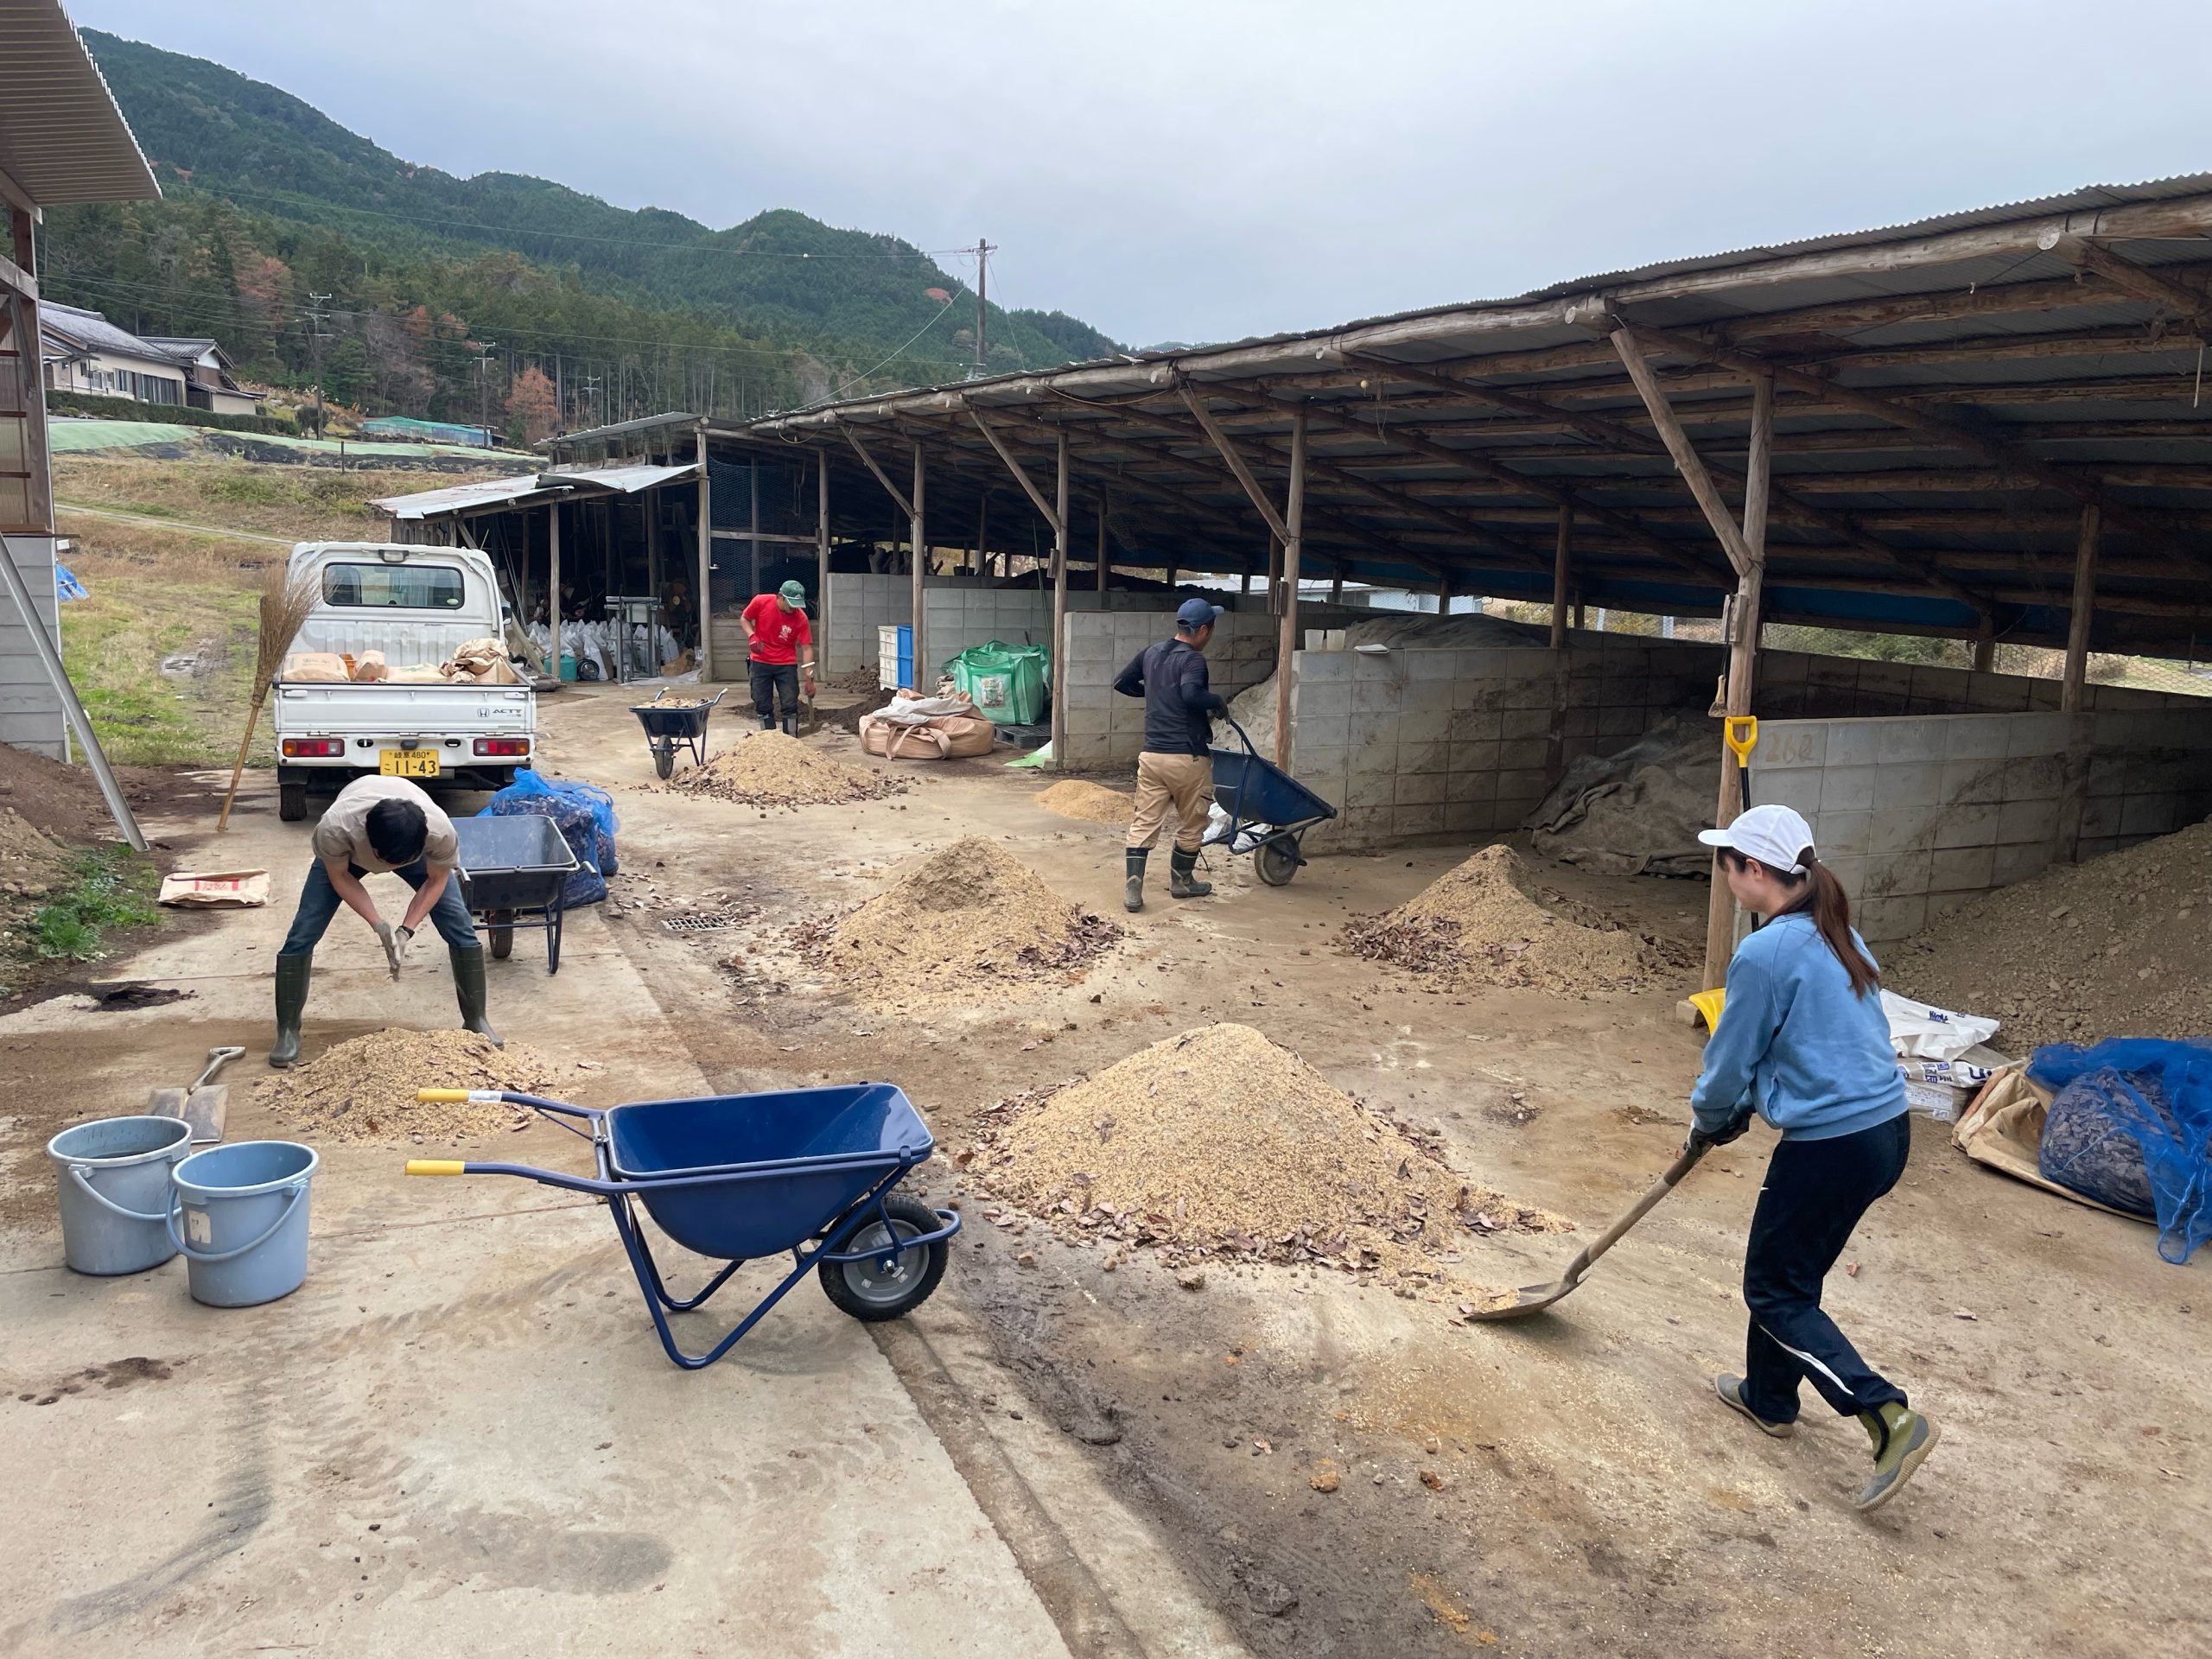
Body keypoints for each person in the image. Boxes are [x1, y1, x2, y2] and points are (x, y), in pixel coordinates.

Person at [1688, 802, 1936, 1512]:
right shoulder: (1836, 931)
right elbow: (1811, 1043)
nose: (1726, 878)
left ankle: (1888, 1416)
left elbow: (1730, 1058)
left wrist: (1709, 1119)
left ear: (1755, 871)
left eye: (1728, 865)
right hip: (1885, 1132)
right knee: (1787, 1273)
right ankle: (1768, 1398)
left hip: (1833, 1144)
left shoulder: (1765, 952)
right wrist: (1746, 1106)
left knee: (1774, 1289)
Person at [269, 775, 499, 1067]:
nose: (389, 870)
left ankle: (477, 1020)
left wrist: (406, 930)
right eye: (384, 861)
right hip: (347, 856)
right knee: (303, 931)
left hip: (413, 849)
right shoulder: (336, 828)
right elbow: (340, 877)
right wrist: (378, 924)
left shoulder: (440, 833)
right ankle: (287, 1030)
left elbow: (436, 881)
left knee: (461, 929)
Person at [1112, 597, 1227, 913]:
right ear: (1203, 630)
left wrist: (1152, 692)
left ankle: (1133, 889)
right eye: (1211, 629)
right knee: (1193, 822)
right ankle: (1182, 882)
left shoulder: (1152, 653)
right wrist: (1216, 700)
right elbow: (1192, 695)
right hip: (1187, 757)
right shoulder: (1193, 660)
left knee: (1145, 822)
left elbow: (1121, 683)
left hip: (1151, 756)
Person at [741, 579, 816, 734]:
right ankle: (769, 740)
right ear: (780, 597)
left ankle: (790, 742)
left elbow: (807, 648)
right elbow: (745, 618)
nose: (793, 609)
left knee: (790, 703)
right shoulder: (761, 602)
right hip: (760, 660)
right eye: (790, 605)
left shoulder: (800, 618)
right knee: (762, 703)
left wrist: (809, 679)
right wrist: (752, 636)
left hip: (786, 664)